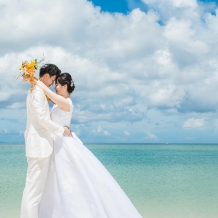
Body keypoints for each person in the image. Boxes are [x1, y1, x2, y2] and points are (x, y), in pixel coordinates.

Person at [38, 72, 144, 218]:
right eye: (55, 84)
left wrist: (33, 79)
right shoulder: (58, 102)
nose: (55, 87)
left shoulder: (66, 102)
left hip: (63, 143)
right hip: (56, 142)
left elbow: (46, 91)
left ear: (65, 86)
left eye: (57, 84)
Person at [21, 63, 73, 218]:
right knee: (33, 193)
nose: (52, 84)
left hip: (39, 146)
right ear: (45, 76)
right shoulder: (37, 92)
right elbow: (43, 120)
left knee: (35, 192)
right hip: (39, 147)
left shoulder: (36, 90)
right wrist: (62, 130)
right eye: (52, 80)